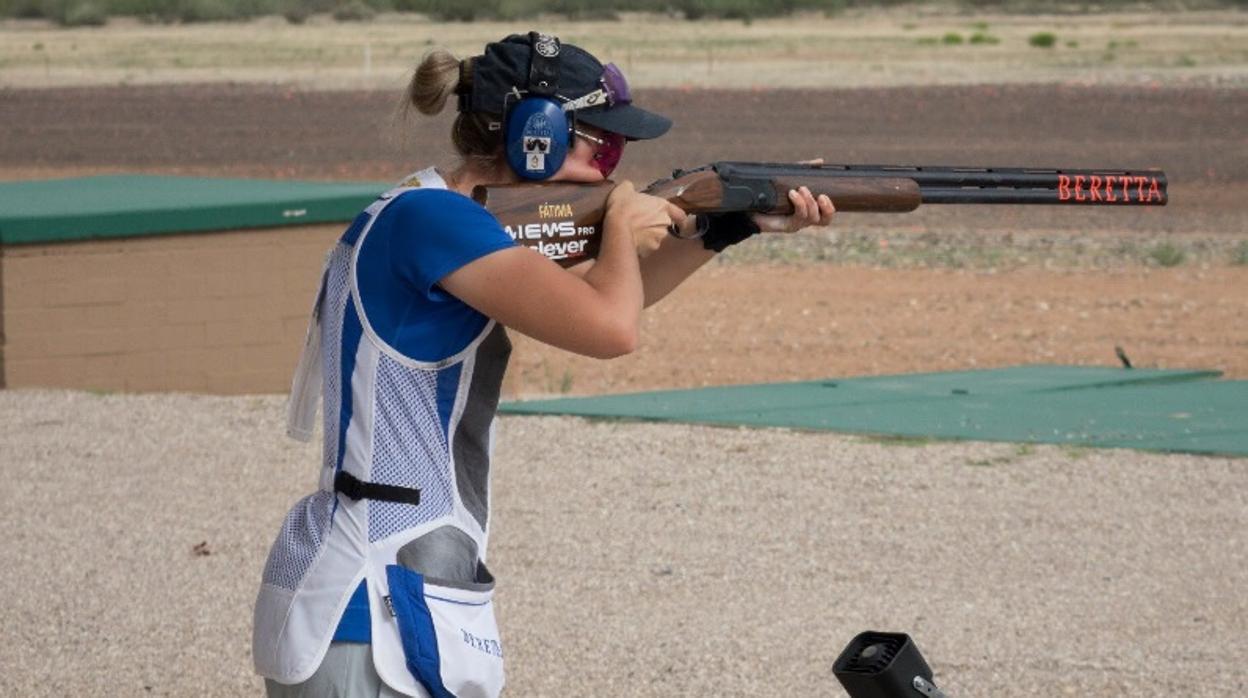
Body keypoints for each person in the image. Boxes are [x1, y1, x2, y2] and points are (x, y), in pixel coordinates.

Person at [252, 32, 835, 698]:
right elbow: (611, 327)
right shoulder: (435, 222)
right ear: (538, 135)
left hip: (385, 585)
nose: (612, 169)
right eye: (604, 147)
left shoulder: (431, 212)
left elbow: (599, 298)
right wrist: (619, 221)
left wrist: (725, 229)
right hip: (368, 600)